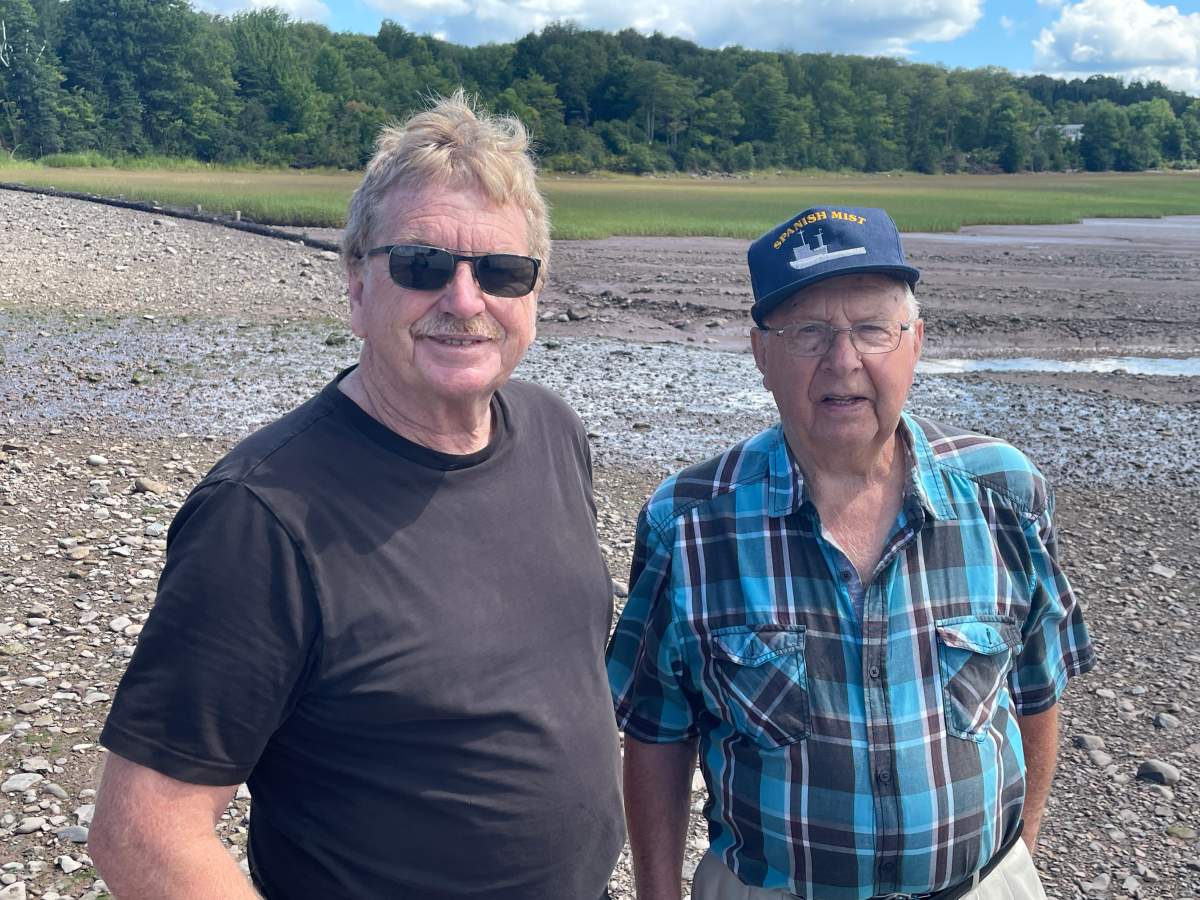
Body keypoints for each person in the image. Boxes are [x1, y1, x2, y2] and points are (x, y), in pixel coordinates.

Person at [90, 92, 624, 900]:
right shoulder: (263, 516)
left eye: (503, 272)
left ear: (534, 295)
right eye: (422, 266)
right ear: (356, 283)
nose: (465, 301)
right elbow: (143, 832)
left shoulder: (552, 432)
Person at [607, 206, 1095, 900]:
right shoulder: (687, 523)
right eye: (808, 332)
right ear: (761, 353)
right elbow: (657, 731)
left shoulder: (1006, 494)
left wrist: (1021, 856)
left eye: (871, 329)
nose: (843, 361)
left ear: (916, 342)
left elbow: (1038, 688)